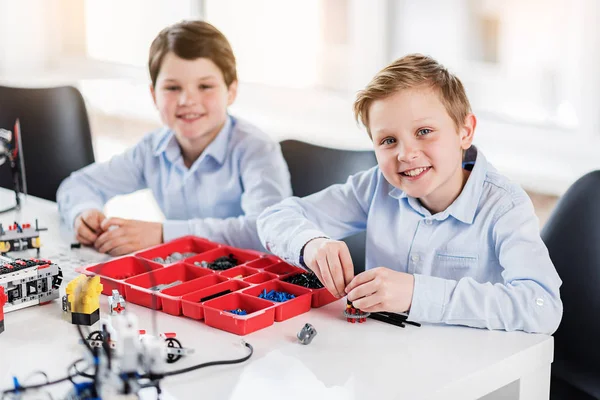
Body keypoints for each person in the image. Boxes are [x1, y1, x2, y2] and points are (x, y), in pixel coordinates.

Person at [257, 54, 562, 334]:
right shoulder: (376, 186)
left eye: (424, 132)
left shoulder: (504, 207)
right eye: (388, 140)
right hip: (384, 362)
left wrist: (418, 293)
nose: (406, 154)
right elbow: (274, 217)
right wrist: (311, 244)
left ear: (465, 131)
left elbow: (542, 306)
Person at [57, 20, 291, 255]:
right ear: (153, 95)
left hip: (247, 280)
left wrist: (163, 234)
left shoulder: (257, 149)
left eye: (205, 86)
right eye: (172, 88)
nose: (187, 101)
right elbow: (77, 185)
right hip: (182, 278)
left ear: (231, 91)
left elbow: (266, 231)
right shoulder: (153, 149)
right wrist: (83, 213)